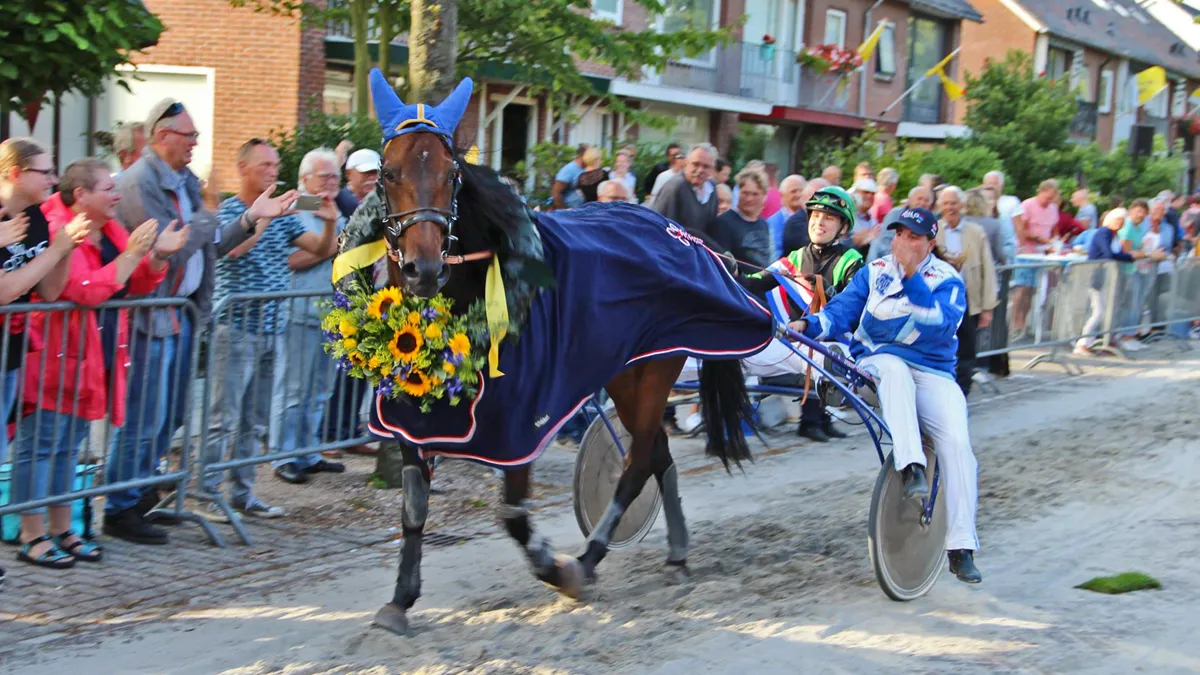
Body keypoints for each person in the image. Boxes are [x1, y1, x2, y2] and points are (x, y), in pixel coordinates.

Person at [788, 207, 982, 584]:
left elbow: (938, 327)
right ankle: (911, 465)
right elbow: (839, 314)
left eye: (913, 237)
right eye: (898, 235)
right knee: (893, 368)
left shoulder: (948, 280)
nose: (903, 243)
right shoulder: (873, 272)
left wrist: (911, 277)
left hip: (932, 372)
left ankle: (961, 547)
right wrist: (805, 324)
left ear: (929, 243)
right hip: (879, 365)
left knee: (958, 445)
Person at [21, 158, 188, 558]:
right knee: (41, 444)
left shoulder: (108, 228)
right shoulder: (55, 225)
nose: (117, 195)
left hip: (90, 355)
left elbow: (134, 281)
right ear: (81, 195)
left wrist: (157, 256)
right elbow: (84, 289)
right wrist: (132, 255)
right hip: (51, 355)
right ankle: (30, 535)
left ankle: (65, 529)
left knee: (69, 446)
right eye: (108, 189)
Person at [737, 185, 864, 441]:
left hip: (834, 335)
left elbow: (854, 307)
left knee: (823, 346)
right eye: (816, 216)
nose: (819, 222)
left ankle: (820, 418)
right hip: (798, 337)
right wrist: (732, 271)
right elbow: (754, 282)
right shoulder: (793, 259)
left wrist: (828, 291)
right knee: (812, 347)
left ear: (843, 228)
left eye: (828, 218)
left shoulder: (852, 260)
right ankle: (810, 420)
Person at [936, 186, 998, 396]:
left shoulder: (975, 232)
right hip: (940, 301)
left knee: (967, 351)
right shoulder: (933, 230)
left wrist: (987, 307)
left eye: (953, 203)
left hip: (968, 299)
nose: (950, 208)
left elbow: (987, 270)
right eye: (945, 203)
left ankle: (962, 393)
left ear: (961, 205)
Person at [1074, 209, 1159, 355]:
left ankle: (1102, 339)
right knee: (1098, 312)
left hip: (1107, 277)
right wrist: (1131, 256)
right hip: (1097, 276)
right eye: (1117, 219)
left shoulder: (1114, 235)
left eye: (1122, 220)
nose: (1119, 223)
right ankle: (1082, 343)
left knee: (1107, 310)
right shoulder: (1104, 233)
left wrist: (1131, 256)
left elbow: (1116, 254)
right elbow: (1108, 254)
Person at [711, 165, 772, 270]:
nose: (749, 198)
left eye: (755, 194)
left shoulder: (763, 224)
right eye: (745, 193)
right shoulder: (723, 223)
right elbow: (721, 264)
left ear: (764, 196)